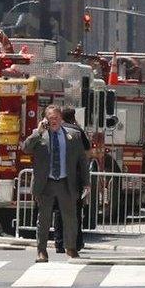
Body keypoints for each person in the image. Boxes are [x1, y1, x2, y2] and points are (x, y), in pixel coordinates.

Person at [23, 104, 89, 262]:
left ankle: (71, 248)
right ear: (45, 119)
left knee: (70, 218)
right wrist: (38, 132)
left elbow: (82, 160)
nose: (54, 120)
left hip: (66, 182)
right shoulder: (39, 135)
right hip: (46, 183)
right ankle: (41, 251)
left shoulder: (73, 135)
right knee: (43, 219)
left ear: (61, 119)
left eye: (57, 117)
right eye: (51, 118)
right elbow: (26, 148)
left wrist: (86, 183)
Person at [52, 108, 90, 254]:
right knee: (75, 211)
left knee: (58, 211)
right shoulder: (78, 131)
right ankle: (76, 243)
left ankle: (59, 243)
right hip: (75, 178)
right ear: (73, 117)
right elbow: (86, 151)